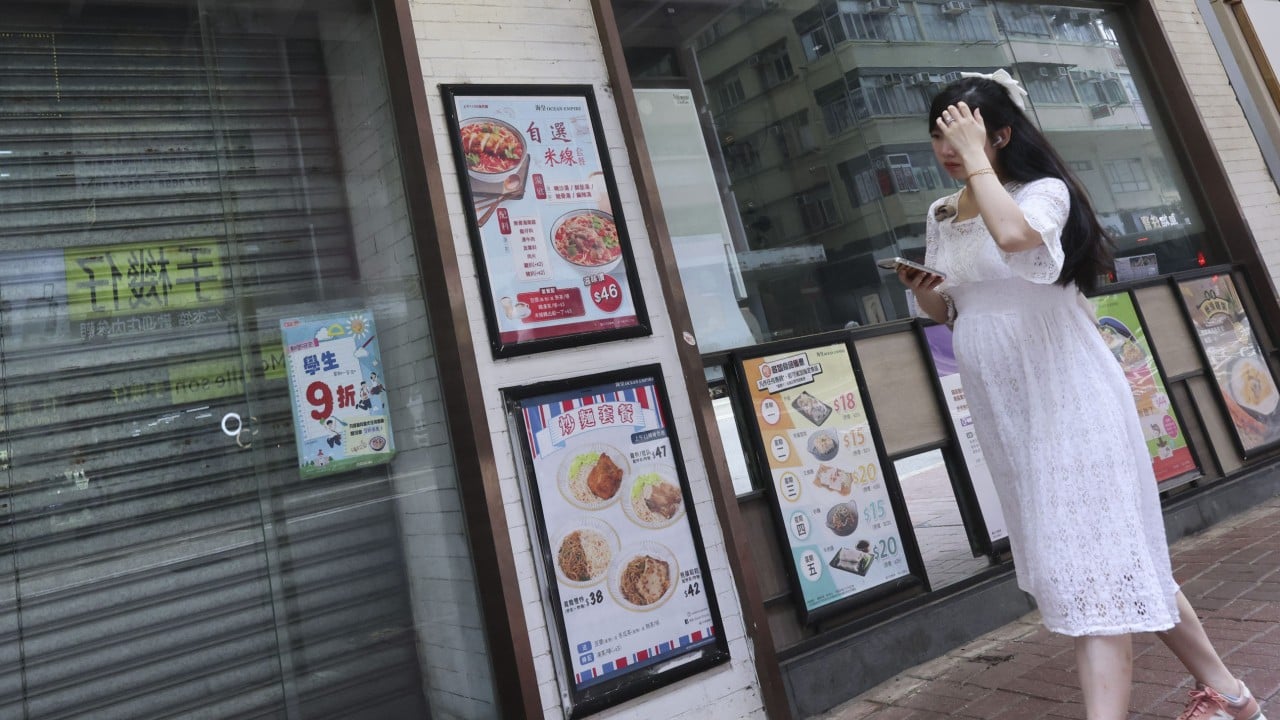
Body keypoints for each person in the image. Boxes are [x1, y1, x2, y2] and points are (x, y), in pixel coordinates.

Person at [899, 70, 1266, 720]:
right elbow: (943, 309)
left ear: (1001, 135)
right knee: (1118, 557)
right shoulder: (940, 212)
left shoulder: (1045, 192)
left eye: (961, 133)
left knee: (1091, 569)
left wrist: (980, 170)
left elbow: (1017, 240)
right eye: (938, 134)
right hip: (1007, 407)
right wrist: (924, 282)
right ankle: (1234, 697)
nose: (947, 147)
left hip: (1071, 395)